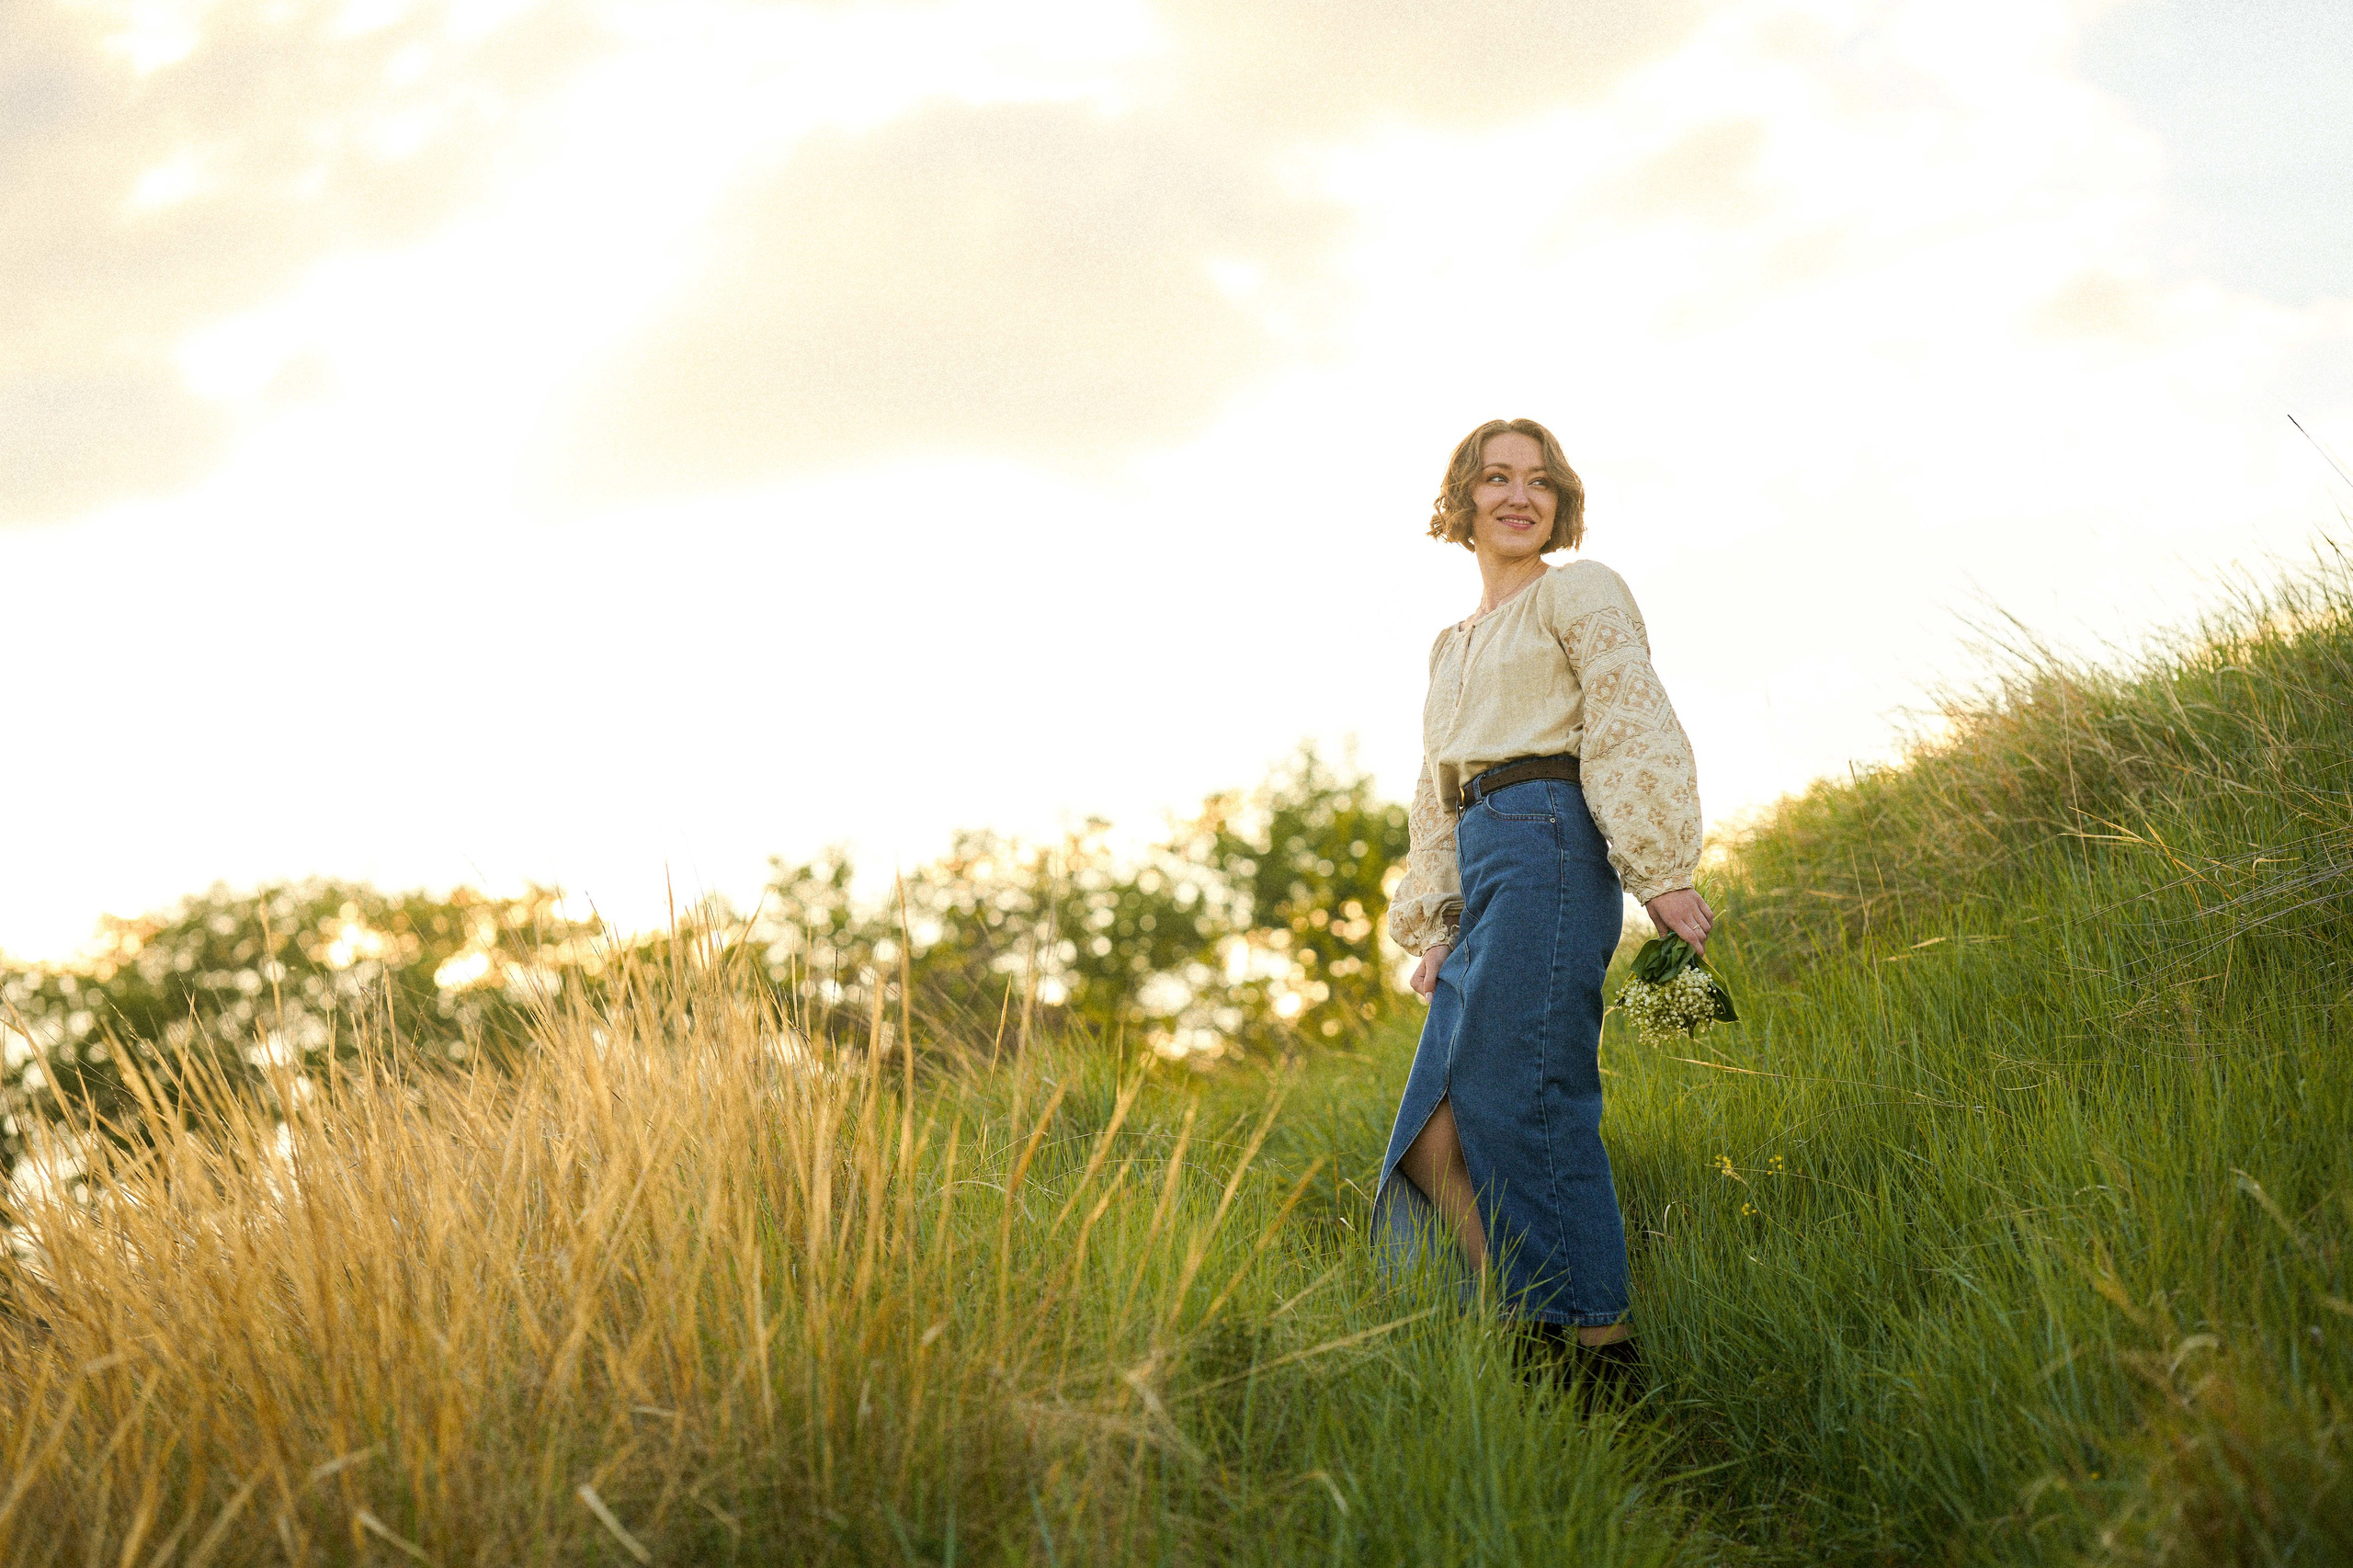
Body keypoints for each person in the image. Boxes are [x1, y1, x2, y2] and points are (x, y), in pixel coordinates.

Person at [1377, 416, 1712, 1400]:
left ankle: (1598, 1354)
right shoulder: (1452, 645)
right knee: (1435, 1133)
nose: (1517, 495)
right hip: (1483, 859)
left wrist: (1658, 865)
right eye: (1495, 478)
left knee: (1527, 1095)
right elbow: (1433, 791)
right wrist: (1437, 921)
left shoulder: (1579, 590)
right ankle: (1530, 1330)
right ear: (1463, 500)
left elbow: (1625, 706)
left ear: (1559, 504)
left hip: (1551, 834)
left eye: (1538, 481)